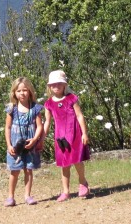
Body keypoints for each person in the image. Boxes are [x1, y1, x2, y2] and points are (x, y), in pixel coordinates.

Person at [42, 69, 91, 201]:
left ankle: (83, 183)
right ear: (49, 87)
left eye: (59, 83)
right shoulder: (48, 104)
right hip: (60, 138)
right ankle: (65, 191)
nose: (56, 86)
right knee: (64, 165)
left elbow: (80, 116)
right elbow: (47, 122)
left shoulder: (72, 99)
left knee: (77, 161)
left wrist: (84, 133)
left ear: (64, 85)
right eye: (53, 84)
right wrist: (42, 137)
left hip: (75, 135)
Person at [3, 76, 44, 206]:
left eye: (25, 90)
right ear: (14, 93)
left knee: (28, 170)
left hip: (30, 145)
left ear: (30, 91)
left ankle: (27, 195)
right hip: (15, 145)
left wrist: (35, 139)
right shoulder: (11, 109)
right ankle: (10, 196)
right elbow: (8, 127)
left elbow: (40, 126)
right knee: (14, 171)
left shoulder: (35, 108)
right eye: (19, 90)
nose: (22, 93)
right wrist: (9, 144)